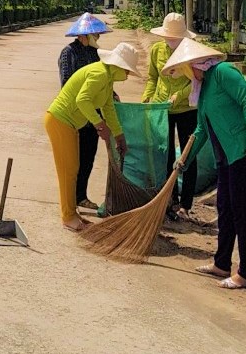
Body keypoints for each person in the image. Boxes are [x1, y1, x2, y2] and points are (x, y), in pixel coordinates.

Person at [162, 38, 246, 290]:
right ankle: (221, 263)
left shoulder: (222, 72)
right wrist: (185, 160)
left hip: (244, 153)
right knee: (225, 208)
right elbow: (200, 129)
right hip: (226, 157)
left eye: (187, 70)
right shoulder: (204, 88)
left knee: (243, 210)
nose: (187, 75)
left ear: (196, 64)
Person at [45, 42, 140, 232]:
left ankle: (72, 212)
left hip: (70, 124)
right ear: (119, 66)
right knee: (68, 171)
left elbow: (108, 108)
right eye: (127, 71)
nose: (128, 76)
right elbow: (82, 100)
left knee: (73, 168)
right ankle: (68, 216)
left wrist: (119, 135)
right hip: (59, 120)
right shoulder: (99, 74)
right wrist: (99, 125)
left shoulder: (107, 78)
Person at [140, 12, 198, 221]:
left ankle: (185, 203)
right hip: (162, 108)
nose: (171, 42)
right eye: (168, 38)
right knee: (166, 155)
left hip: (187, 110)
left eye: (176, 39)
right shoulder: (157, 51)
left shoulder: (192, 53)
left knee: (188, 155)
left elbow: (197, 81)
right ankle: (170, 198)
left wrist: (180, 95)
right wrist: (147, 96)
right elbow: (153, 78)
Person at [58, 12, 113, 211]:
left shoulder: (96, 54)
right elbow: (67, 83)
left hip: (94, 114)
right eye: (94, 35)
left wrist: (111, 94)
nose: (97, 38)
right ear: (83, 35)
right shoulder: (68, 53)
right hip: (75, 114)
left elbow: (103, 79)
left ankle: (81, 196)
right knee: (74, 160)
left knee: (88, 157)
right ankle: (70, 199)